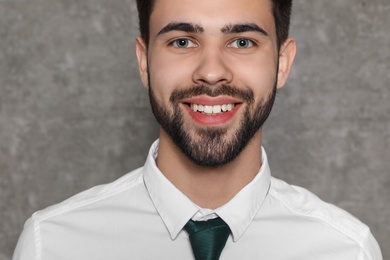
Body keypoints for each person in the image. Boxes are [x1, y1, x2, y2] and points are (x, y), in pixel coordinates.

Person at [13, 0, 382, 259]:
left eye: (242, 42)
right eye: (182, 41)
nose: (210, 71)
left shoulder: (347, 250)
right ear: (144, 62)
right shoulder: (52, 245)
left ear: (282, 64)